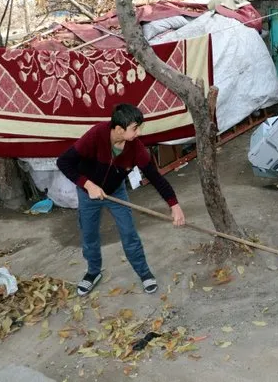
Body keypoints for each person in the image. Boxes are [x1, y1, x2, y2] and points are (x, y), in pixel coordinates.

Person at [57, 104, 186, 296]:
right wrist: (88, 185)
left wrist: (174, 205)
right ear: (118, 129)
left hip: (115, 193)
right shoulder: (96, 135)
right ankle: (93, 272)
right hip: (88, 194)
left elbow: (155, 177)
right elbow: (64, 162)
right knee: (89, 235)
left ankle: (144, 273)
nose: (138, 133)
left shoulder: (136, 148)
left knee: (129, 234)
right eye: (135, 128)